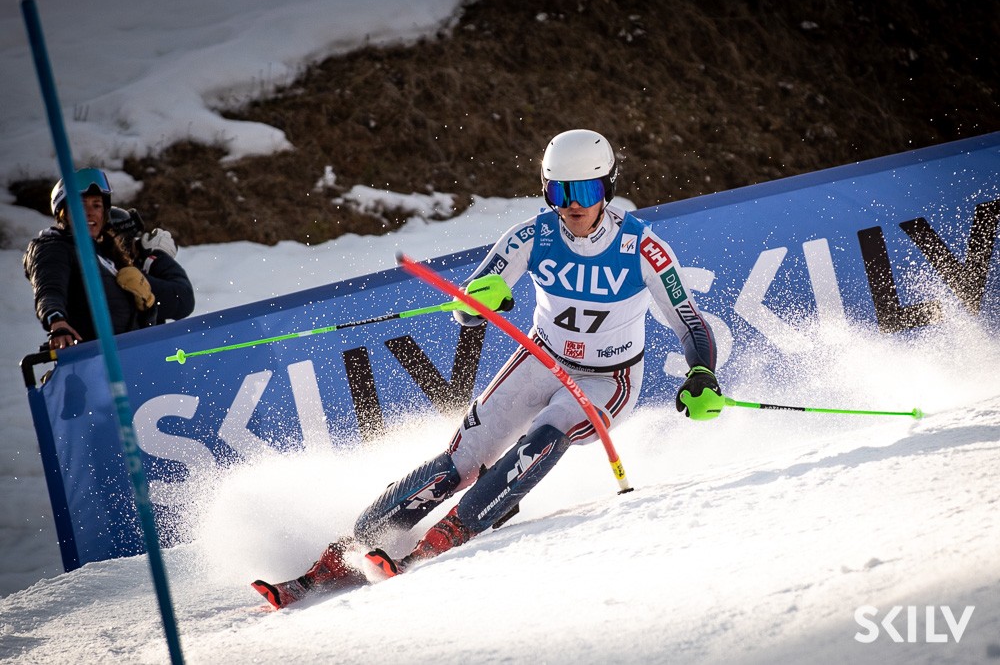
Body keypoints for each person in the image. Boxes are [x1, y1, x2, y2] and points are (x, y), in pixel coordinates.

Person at [252, 129, 724, 608]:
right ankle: (348, 551)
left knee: (550, 428)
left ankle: (450, 533)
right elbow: (468, 305)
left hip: (609, 378)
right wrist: (479, 301)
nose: (571, 205)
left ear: (608, 188)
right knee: (463, 458)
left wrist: (702, 373)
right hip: (541, 358)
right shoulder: (532, 236)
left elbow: (690, 323)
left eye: (585, 191)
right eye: (558, 192)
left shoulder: (643, 249)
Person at [24, 168, 158, 350]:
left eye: (97, 205)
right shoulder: (53, 247)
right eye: (81, 205)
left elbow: (178, 301)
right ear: (64, 213)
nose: (90, 212)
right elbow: (50, 288)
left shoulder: (108, 256)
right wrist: (56, 320)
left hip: (128, 354)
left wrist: (147, 308)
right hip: (91, 358)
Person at [107, 206, 195, 324]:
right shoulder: (114, 271)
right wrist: (157, 255)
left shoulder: (123, 264)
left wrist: (153, 257)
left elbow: (182, 299)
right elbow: (183, 301)